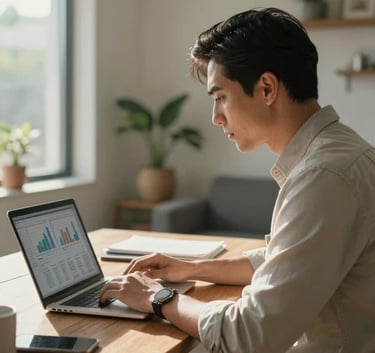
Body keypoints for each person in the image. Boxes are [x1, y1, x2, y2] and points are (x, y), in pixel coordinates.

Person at [100, 7, 375, 353]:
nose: (216, 117)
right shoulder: (340, 153)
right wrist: (190, 269)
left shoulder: (323, 177)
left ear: (266, 88)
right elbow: (288, 261)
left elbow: (248, 335)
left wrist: (158, 298)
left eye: (221, 97)